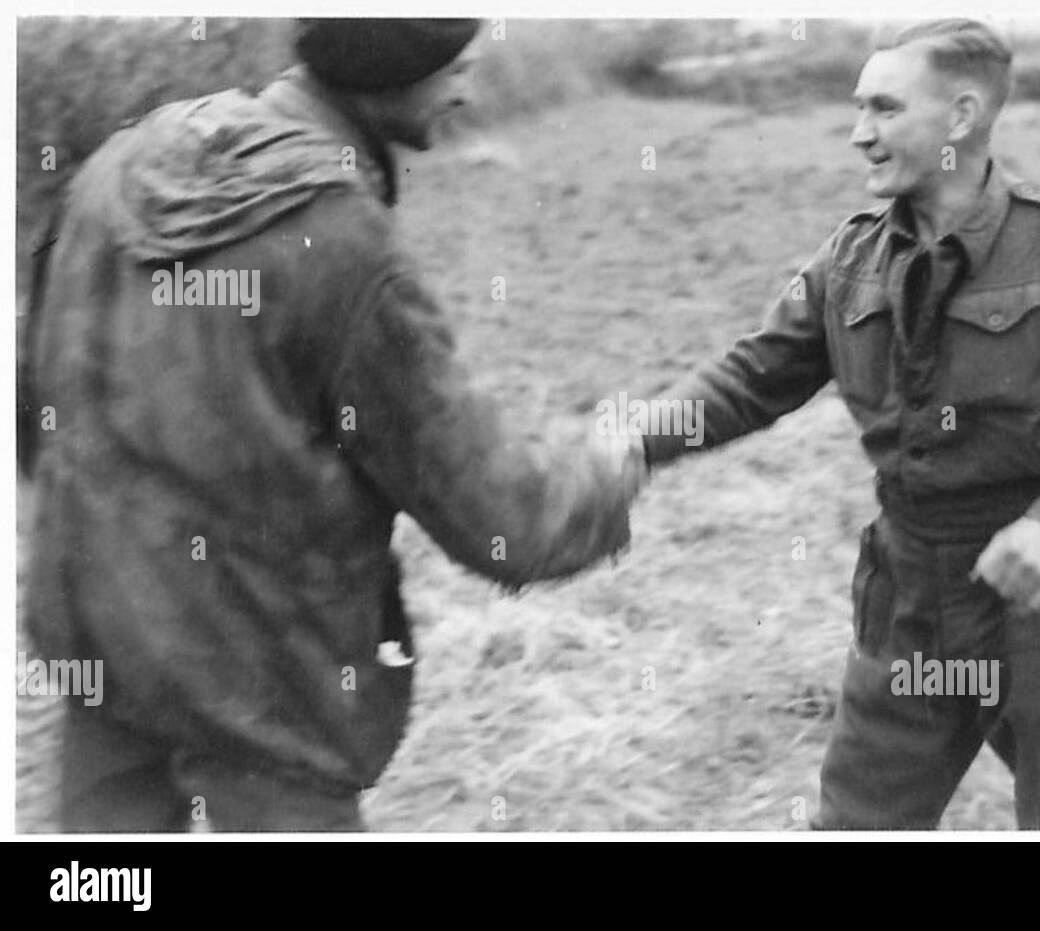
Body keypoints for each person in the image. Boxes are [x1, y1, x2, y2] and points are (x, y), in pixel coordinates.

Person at [19, 18, 644, 832]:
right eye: (451, 68)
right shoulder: (343, 246)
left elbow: (35, 397)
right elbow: (503, 521)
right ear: (385, 71)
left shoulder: (118, 164)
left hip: (103, 642)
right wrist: (606, 468)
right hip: (263, 684)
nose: (466, 88)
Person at [637, 19, 1040, 829]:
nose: (860, 134)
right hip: (908, 593)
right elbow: (754, 376)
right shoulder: (852, 256)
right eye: (859, 109)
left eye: (885, 109)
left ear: (962, 118)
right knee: (859, 821)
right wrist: (634, 437)